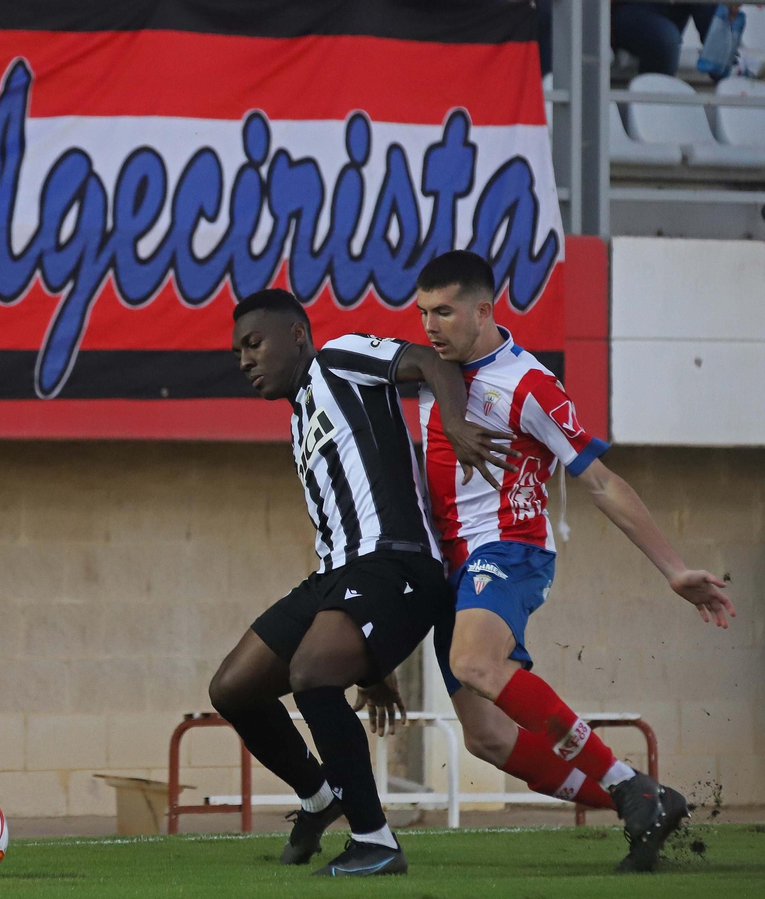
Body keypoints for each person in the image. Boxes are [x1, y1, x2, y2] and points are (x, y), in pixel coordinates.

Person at [357, 250, 737, 874]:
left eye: (444, 312)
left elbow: (602, 482)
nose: (429, 326)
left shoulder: (529, 385)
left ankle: (629, 784)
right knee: (487, 740)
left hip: (510, 548)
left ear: (484, 310)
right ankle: (636, 794)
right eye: (422, 312)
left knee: (474, 661)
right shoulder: (426, 370)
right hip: (449, 564)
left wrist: (673, 569)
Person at [207, 289, 515, 877]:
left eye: (254, 344)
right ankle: (320, 799)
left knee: (311, 675)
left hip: (398, 564)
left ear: (296, 334)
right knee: (233, 689)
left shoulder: (340, 358)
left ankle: (375, 842)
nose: (245, 360)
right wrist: (374, 667)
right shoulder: (300, 421)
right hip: (340, 574)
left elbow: (427, 361)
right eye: (237, 351)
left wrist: (454, 423)